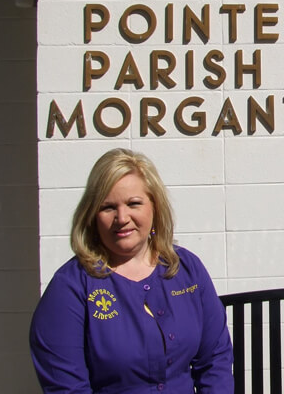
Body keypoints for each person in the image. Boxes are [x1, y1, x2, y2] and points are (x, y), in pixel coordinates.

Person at [30, 148, 234, 393]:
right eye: (107, 207)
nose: (122, 217)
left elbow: (215, 360)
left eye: (133, 203)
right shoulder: (70, 287)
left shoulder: (187, 269)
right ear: (92, 215)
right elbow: (67, 387)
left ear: (154, 207)